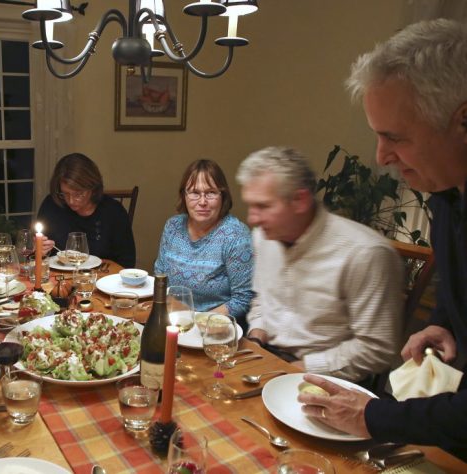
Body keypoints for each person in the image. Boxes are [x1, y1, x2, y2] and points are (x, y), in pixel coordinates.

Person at [298, 19, 467, 460]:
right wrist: (444, 322)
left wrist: (373, 417)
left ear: (463, 120)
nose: (381, 157)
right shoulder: (448, 196)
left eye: (394, 136)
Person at [237, 146, 404, 383]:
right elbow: (263, 299)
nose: (252, 218)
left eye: (263, 206)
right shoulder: (264, 237)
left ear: (300, 200)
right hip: (268, 357)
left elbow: (376, 347)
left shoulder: (364, 253)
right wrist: (256, 338)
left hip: (329, 376)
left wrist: (301, 367)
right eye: (250, 205)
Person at [153, 159, 253, 325]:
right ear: (184, 195)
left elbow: (244, 298)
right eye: (194, 193)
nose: (202, 202)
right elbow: (160, 276)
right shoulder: (173, 226)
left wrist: (197, 321)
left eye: (211, 192)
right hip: (173, 320)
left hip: (215, 327)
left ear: (223, 196)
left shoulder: (236, 235)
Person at [37, 153, 136, 267]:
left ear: (92, 188)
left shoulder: (113, 212)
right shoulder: (52, 205)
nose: (71, 201)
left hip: (101, 280)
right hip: (58, 280)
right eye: (65, 193)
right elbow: (37, 258)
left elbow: (127, 262)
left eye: (78, 194)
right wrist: (39, 252)